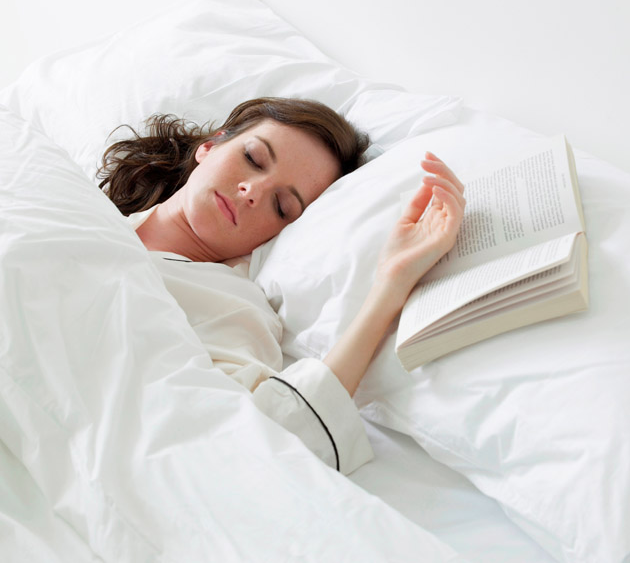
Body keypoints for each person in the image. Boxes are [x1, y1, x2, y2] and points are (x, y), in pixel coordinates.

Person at [98, 97, 466, 474]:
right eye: (254, 159)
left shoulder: (231, 305)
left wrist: (391, 284)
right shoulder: (81, 207)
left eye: (282, 206)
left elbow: (267, 437)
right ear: (211, 145)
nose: (252, 191)